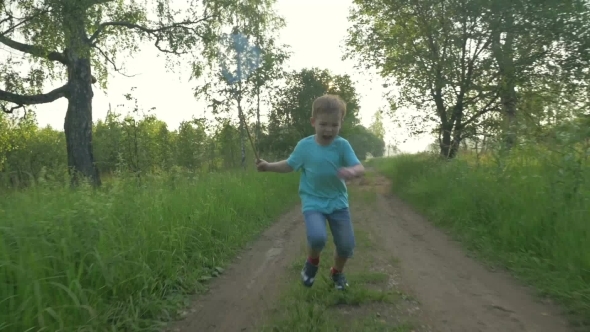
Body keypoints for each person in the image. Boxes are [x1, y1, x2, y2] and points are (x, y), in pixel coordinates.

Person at [255, 94, 365, 290]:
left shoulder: (342, 146)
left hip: (338, 202)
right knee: (317, 237)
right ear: (313, 122)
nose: (329, 129)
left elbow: (360, 167)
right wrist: (268, 166)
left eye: (334, 125)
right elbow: (289, 165)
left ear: (341, 123)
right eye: (323, 124)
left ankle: (337, 273)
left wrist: (352, 171)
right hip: (313, 201)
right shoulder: (305, 146)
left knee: (346, 246)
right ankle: (312, 262)